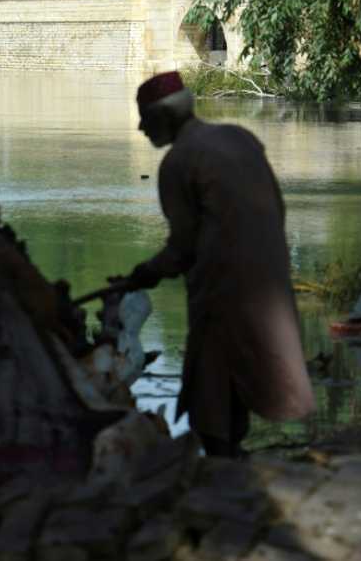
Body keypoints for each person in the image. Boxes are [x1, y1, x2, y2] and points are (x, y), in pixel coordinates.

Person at [116, 71, 314, 458]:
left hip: (222, 287)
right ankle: (233, 458)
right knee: (240, 377)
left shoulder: (178, 163)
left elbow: (182, 247)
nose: (140, 127)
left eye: (145, 117)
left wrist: (145, 272)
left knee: (211, 394)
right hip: (268, 274)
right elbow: (275, 206)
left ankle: (224, 477)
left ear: (165, 116)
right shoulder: (238, 137)